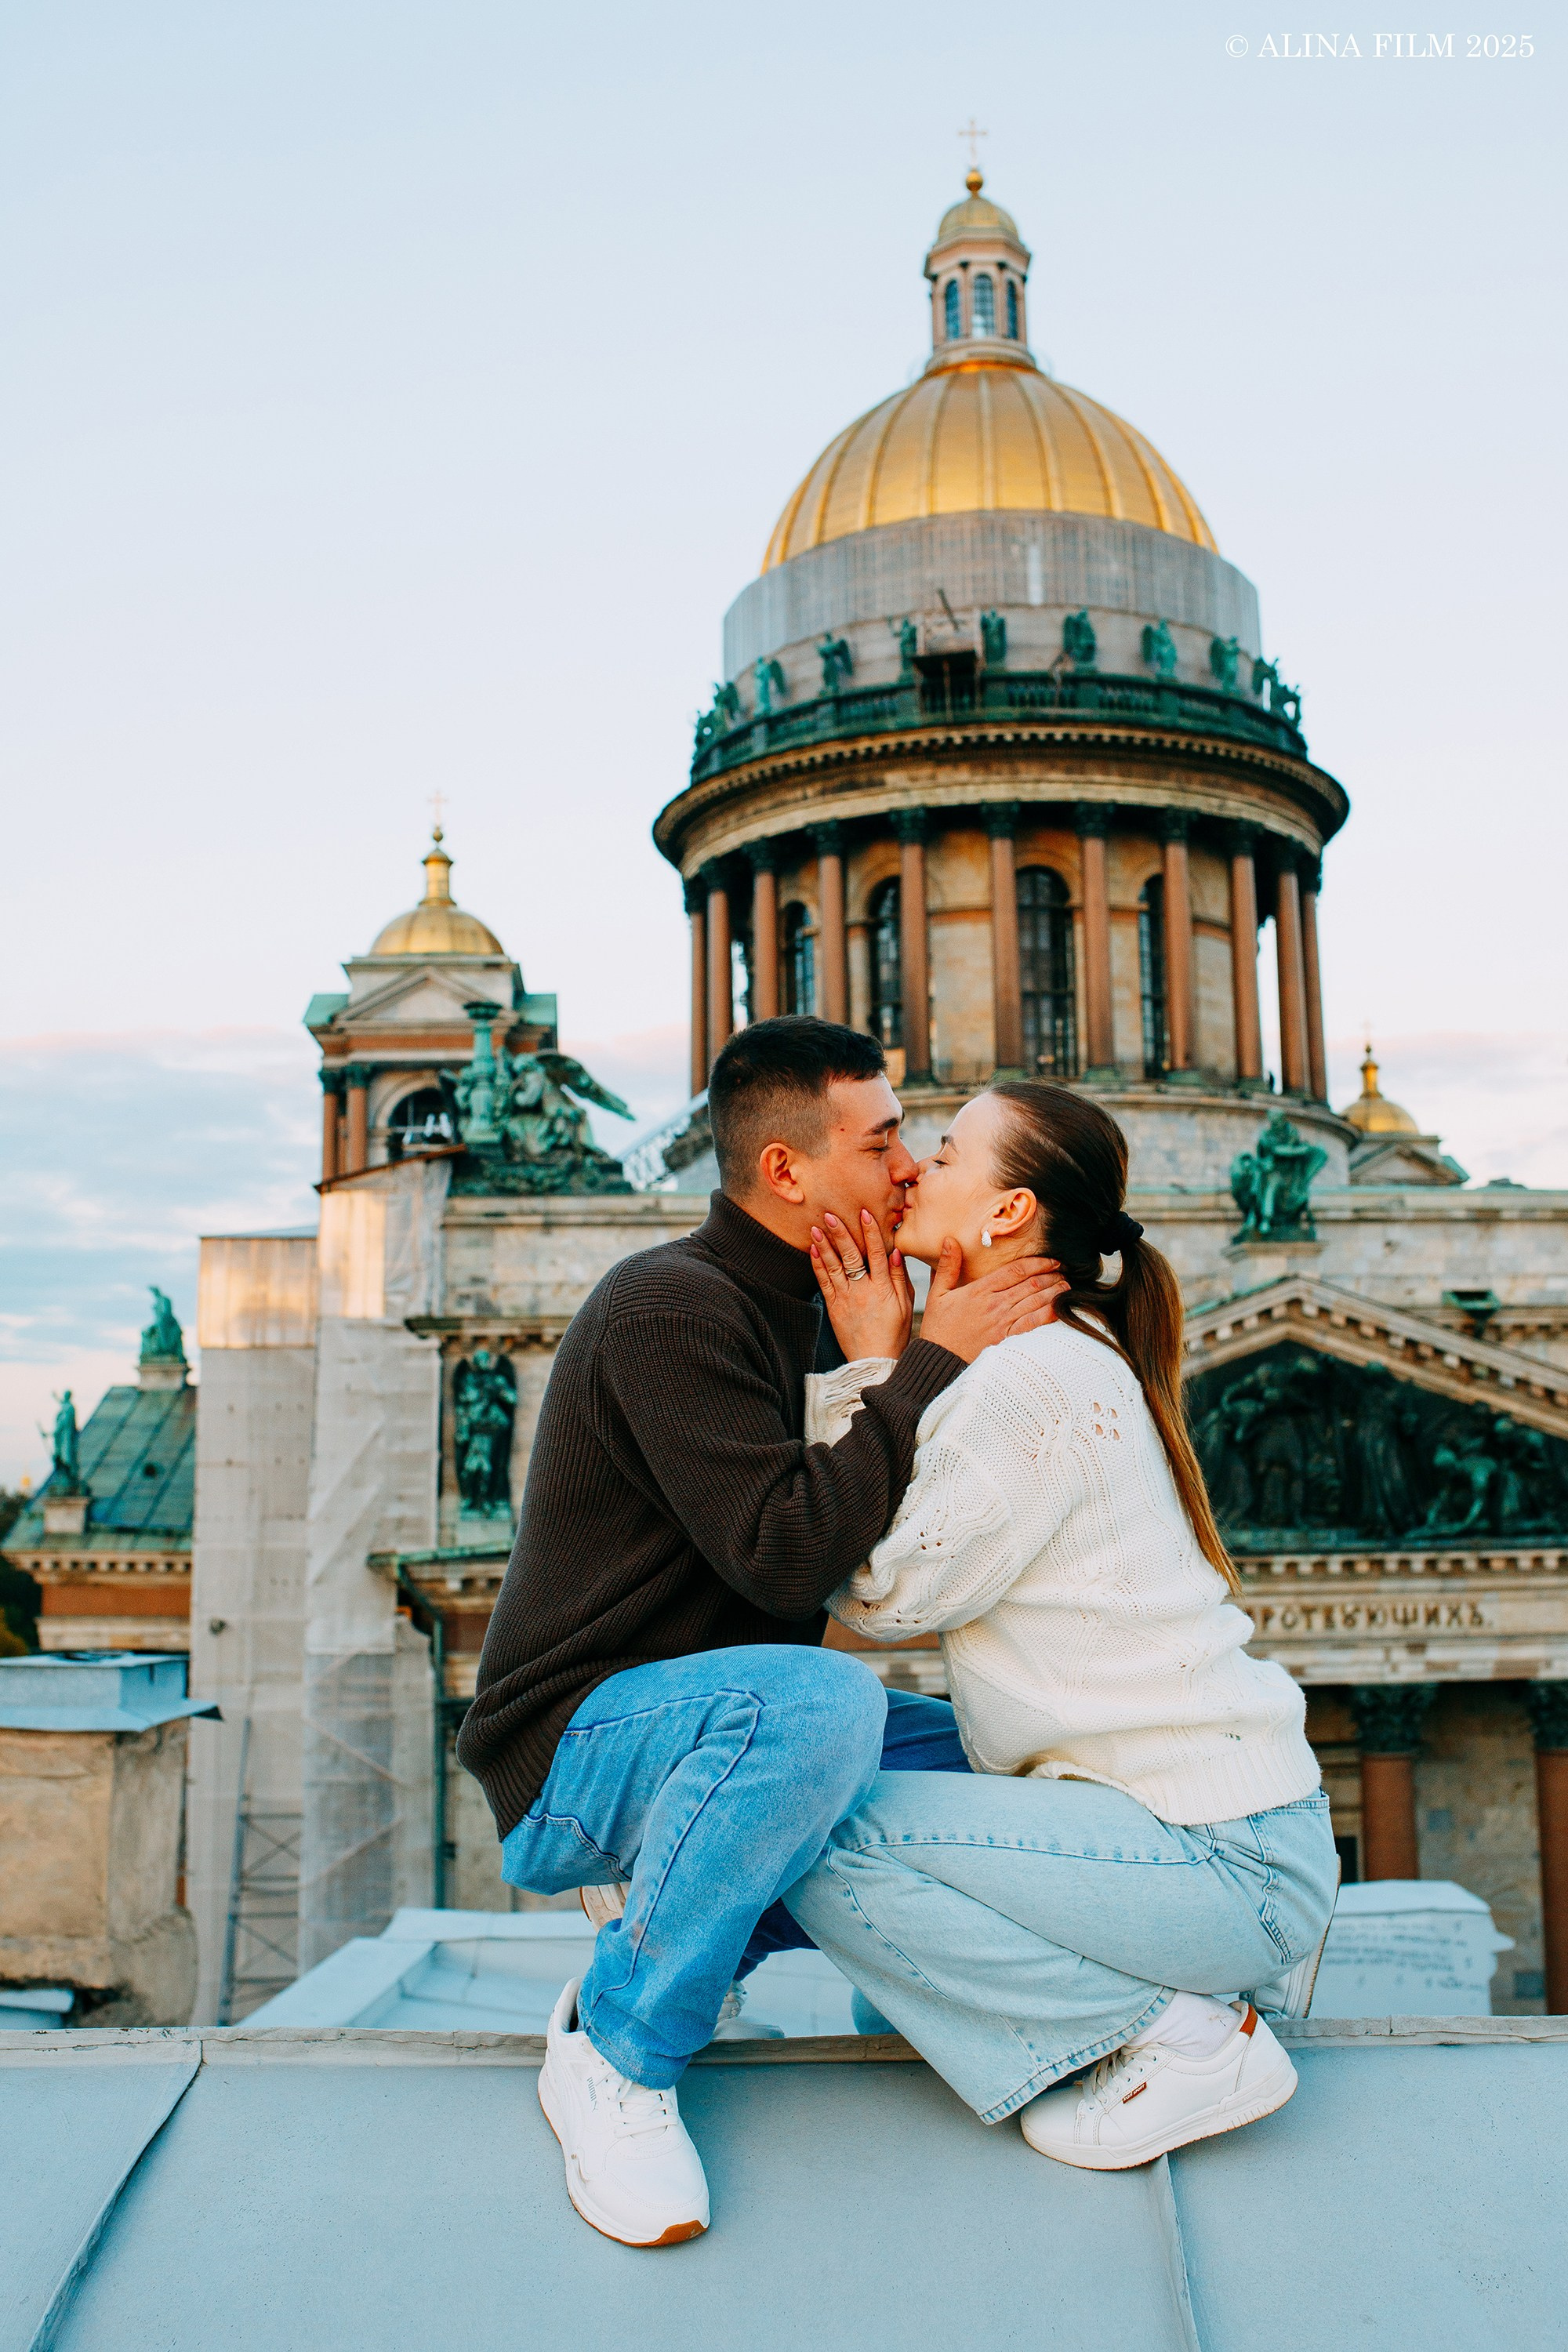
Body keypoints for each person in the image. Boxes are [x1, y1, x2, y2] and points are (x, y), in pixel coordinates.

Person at [456, 1018, 1063, 2245]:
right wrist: (923, 1365)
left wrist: (890, 1355)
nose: (908, 1167)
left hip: (719, 1720)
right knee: (820, 1705)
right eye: (884, 1139)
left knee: (1000, 1760)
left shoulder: (830, 1307)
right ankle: (618, 2055)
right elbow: (787, 1553)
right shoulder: (666, 1305)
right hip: (577, 1745)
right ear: (787, 1170)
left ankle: (969, 2018)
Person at [789, 1080, 1338, 2171]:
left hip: (1214, 1863)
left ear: (1006, 1214)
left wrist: (869, 1363)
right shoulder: (1061, 1352)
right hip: (1232, 1841)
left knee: (804, 1822)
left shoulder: (1031, 1378)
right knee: (864, 1856)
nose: (912, 1172)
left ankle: (1176, 2038)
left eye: (944, 1157)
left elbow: (881, 1591)